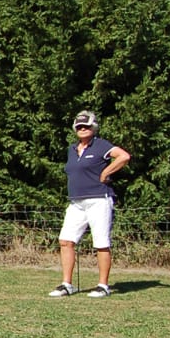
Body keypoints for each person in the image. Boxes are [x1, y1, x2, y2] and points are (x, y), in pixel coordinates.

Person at [49, 110, 130, 298]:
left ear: (93, 127)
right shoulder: (72, 149)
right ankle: (66, 285)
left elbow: (124, 156)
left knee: (101, 242)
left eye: (86, 126)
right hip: (76, 202)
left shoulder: (101, 145)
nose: (82, 129)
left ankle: (103, 286)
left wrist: (106, 172)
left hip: (99, 199)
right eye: (79, 126)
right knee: (66, 241)